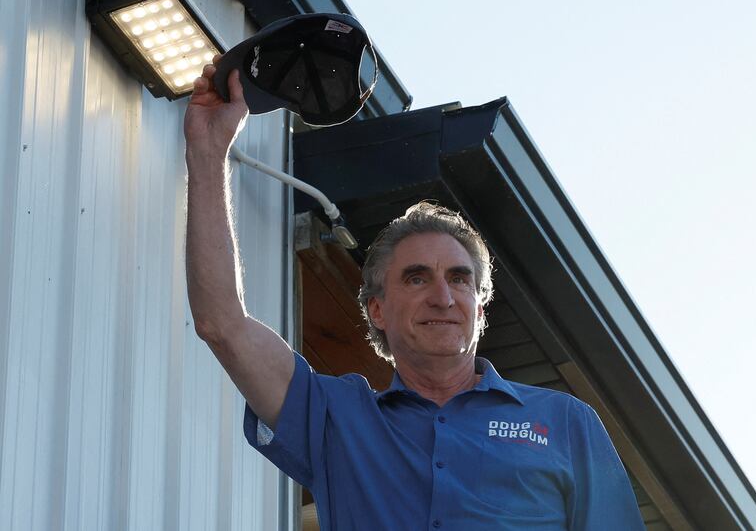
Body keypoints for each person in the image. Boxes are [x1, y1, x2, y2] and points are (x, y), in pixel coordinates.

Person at [185, 59, 646, 531]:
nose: (443, 297)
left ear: (480, 309)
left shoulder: (567, 423)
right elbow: (222, 324)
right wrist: (208, 153)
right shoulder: (335, 420)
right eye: (417, 278)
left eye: (461, 279)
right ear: (377, 310)